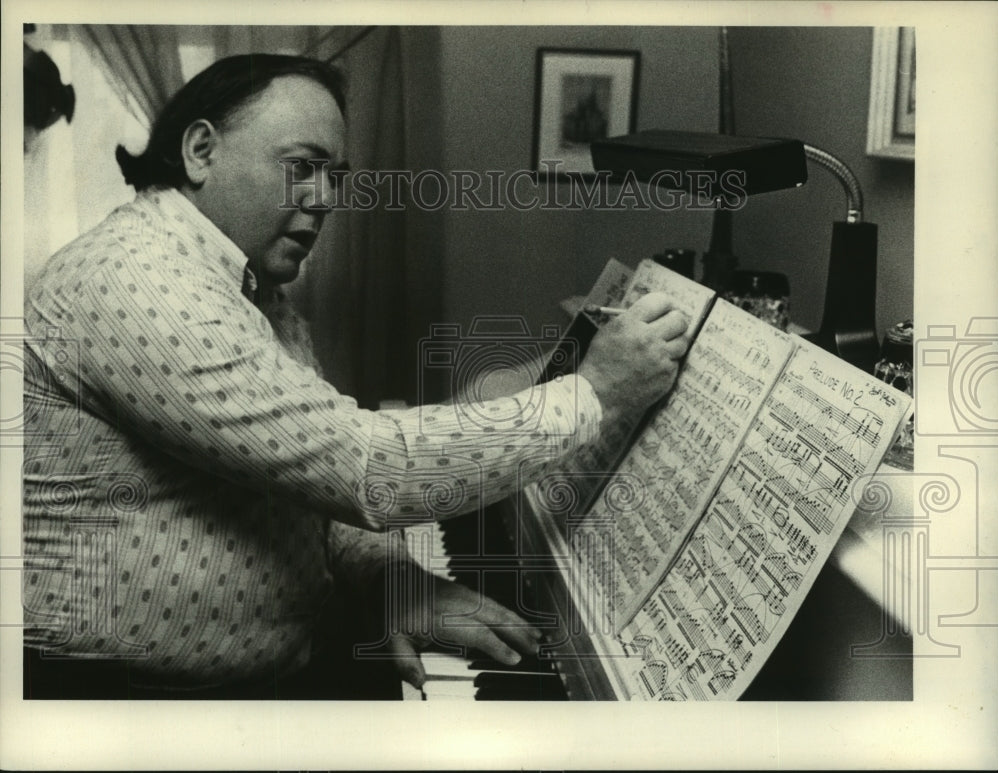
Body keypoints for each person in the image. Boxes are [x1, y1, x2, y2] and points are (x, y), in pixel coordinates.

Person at [22, 54, 690, 697]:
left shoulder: (244, 282)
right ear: (201, 151)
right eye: (303, 166)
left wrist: (390, 580)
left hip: (259, 676)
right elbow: (367, 466)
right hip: (123, 707)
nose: (326, 197)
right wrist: (595, 393)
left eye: (334, 173)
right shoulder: (139, 279)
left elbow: (304, 481)